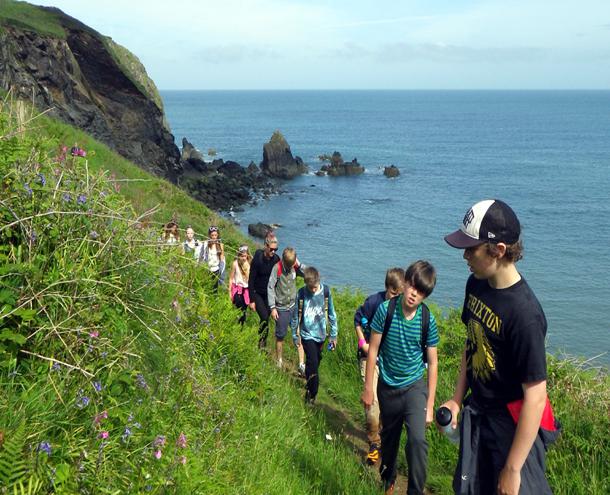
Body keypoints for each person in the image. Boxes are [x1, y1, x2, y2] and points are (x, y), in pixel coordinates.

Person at [441, 199, 559, 495]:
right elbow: (471, 346)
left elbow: (535, 397)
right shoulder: (476, 285)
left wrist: (513, 468)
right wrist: (457, 399)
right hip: (479, 414)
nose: (465, 255)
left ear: (499, 250)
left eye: (472, 248)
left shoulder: (525, 315)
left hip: (513, 427)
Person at [361, 260, 439, 495]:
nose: (415, 294)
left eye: (422, 291)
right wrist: (368, 387)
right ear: (405, 283)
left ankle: (415, 491)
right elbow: (373, 349)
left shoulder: (428, 319)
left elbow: (433, 362)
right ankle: (388, 480)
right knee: (390, 442)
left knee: (417, 442)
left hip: (415, 387)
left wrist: (430, 404)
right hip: (387, 386)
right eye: (413, 286)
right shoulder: (386, 310)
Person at [354, 267, 405, 466]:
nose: (395, 299)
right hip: (369, 359)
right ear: (386, 288)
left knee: (387, 407)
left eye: (399, 295)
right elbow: (357, 320)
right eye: (393, 294)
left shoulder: (402, 309)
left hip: (389, 361)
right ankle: (374, 444)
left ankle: (382, 437)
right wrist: (362, 343)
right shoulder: (373, 302)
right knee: (372, 406)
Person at [291, 266, 338, 404]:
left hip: (321, 335)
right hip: (306, 335)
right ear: (305, 283)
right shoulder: (301, 294)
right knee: (312, 362)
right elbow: (295, 317)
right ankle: (312, 395)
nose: (312, 290)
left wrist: (333, 335)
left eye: (315, 287)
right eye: (310, 287)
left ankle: (309, 386)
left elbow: (332, 315)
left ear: (319, 281)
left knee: (315, 363)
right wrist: (295, 335)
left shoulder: (326, 292)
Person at [267, 247, 306, 369]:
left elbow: (308, 275)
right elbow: (270, 287)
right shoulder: (276, 268)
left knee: (298, 333)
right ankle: (279, 361)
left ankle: (301, 364)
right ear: (283, 260)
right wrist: (272, 308)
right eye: (288, 265)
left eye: (292, 264)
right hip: (281, 308)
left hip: (294, 307)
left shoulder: (295, 266)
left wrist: (299, 265)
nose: (290, 268)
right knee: (280, 336)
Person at [248, 233, 280, 349]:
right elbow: (251, 280)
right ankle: (261, 344)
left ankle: (263, 342)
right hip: (257, 293)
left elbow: (279, 278)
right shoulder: (257, 258)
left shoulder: (276, 259)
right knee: (264, 317)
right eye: (271, 249)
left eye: (276, 249)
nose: (273, 252)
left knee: (266, 320)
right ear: (266, 246)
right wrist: (251, 300)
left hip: (269, 294)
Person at [228, 245, 252, 326]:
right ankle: (234, 323)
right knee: (239, 308)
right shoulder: (235, 264)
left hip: (246, 290)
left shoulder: (249, 264)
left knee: (244, 310)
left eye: (245, 256)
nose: (244, 258)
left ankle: (240, 326)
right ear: (238, 256)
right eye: (242, 256)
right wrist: (229, 292)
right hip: (237, 289)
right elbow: (231, 278)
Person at [200, 226, 225, 290]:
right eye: (212, 235)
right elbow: (201, 256)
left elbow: (222, 260)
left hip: (216, 270)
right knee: (206, 288)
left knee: (215, 289)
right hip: (207, 270)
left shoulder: (220, 245)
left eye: (215, 235)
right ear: (209, 235)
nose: (214, 237)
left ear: (218, 235)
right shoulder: (205, 244)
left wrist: (221, 274)